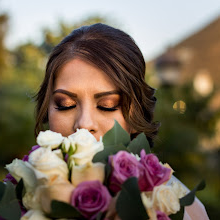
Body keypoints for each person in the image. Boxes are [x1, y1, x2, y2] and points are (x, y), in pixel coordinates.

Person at [34, 23, 209, 220]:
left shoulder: (179, 207)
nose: (83, 124)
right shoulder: (20, 196)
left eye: (107, 105)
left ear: (135, 116)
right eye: (65, 104)